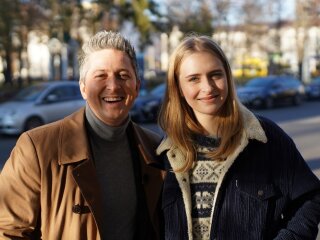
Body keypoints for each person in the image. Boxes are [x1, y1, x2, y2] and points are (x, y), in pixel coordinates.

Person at [0, 30, 164, 240]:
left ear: (137, 87)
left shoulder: (155, 149)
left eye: (123, 76)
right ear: (83, 88)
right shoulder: (36, 148)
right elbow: (8, 231)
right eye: (100, 76)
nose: (113, 86)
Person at [156, 34, 320, 240]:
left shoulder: (266, 139)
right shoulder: (165, 154)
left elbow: (310, 198)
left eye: (215, 75)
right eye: (194, 79)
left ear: (227, 76)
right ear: (178, 88)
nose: (207, 87)